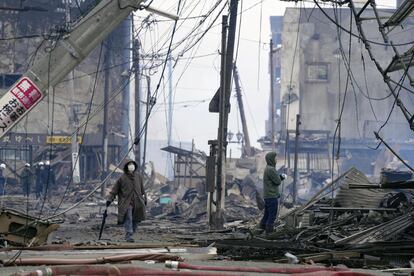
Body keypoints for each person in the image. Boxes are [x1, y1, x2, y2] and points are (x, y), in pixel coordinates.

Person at [106, 159, 147, 242]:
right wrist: (109, 200)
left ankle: (131, 232)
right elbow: (114, 190)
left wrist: (144, 200)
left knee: (136, 219)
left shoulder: (138, 177)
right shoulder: (122, 178)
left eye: (132, 164)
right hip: (126, 203)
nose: (131, 166)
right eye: (129, 164)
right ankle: (129, 235)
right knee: (128, 217)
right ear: (126, 166)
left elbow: (142, 191)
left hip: (137, 202)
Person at [260, 152, 286, 234]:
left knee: (266, 215)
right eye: (275, 158)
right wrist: (282, 176)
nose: (276, 159)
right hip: (271, 196)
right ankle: (269, 233)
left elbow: (274, 180)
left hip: (268, 196)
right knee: (272, 216)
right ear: (271, 159)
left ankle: (260, 230)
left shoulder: (268, 168)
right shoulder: (271, 169)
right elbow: (277, 181)